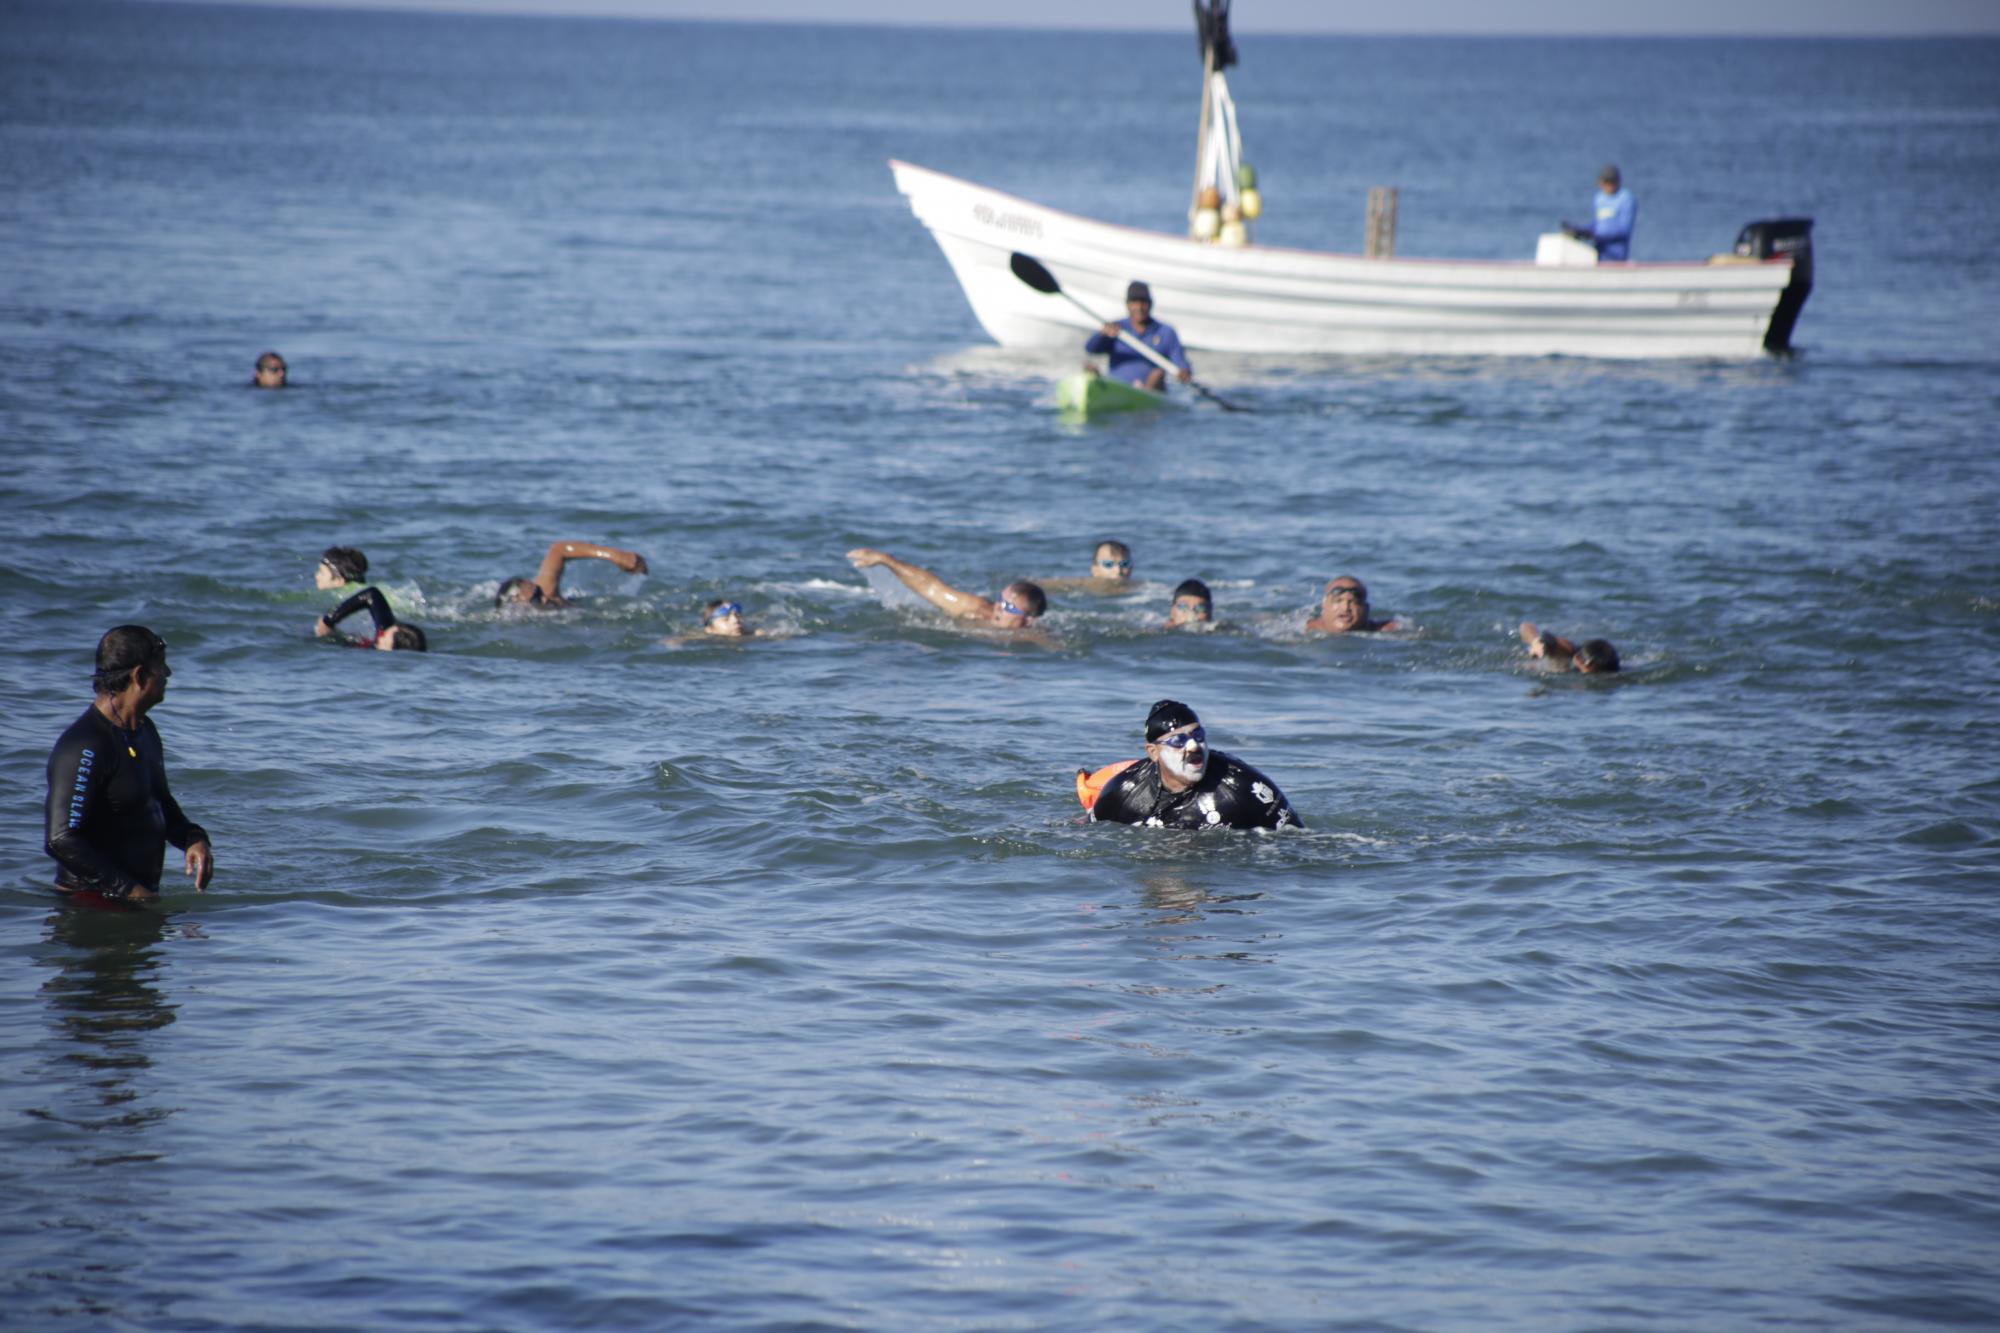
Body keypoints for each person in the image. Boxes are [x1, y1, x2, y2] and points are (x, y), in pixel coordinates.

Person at [43, 626, 215, 901]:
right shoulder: (85, 745)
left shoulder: (144, 731)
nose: (168, 673)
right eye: (161, 665)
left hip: (137, 901)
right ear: (139, 675)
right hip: (90, 907)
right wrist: (129, 890)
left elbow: (159, 802)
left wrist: (193, 837)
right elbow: (61, 838)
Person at [1085, 699, 1302, 831]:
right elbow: (1086, 835)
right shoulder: (1124, 790)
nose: (1193, 746)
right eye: (1178, 741)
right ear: (1153, 752)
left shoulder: (1243, 786)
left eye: (1198, 735)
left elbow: (1298, 843)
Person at [847, 547, 1046, 630]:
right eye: (1000, 601)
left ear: (1029, 619)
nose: (998, 608)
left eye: (1009, 608)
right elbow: (931, 587)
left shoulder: (1031, 638)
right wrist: (886, 560)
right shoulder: (976, 609)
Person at [1084, 281, 1193, 391]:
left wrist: (1183, 372)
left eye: (1143, 302)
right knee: (1089, 368)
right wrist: (1102, 334)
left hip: (1149, 391)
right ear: (1127, 304)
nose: (1139, 307)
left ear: (1151, 304)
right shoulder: (1116, 328)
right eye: (1134, 302)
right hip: (1116, 388)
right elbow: (1090, 349)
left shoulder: (1166, 332)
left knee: (1157, 374)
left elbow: (1181, 364)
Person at [496, 540, 649, 608]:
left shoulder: (547, 591)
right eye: (535, 600)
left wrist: (615, 555)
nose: (543, 599)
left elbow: (558, 549)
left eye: (539, 592)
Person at [317, 586, 427, 651]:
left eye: (383, 637)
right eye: (383, 633)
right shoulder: (386, 629)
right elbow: (372, 594)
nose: (381, 634)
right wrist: (329, 620)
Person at [1563, 164, 1635, 262]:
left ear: (1617, 182)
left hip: (1617, 256)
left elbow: (1624, 231)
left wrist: (1595, 235)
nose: (1607, 186)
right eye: (1605, 182)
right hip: (1599, 254)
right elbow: (1597, 224)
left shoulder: (1626, 199)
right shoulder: (1599, 198)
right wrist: (1581, 231)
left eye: (1610, 182)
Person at [1305, 576, 1399, 634]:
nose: (1345, 608)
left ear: (1366, 609)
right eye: (1338, 601)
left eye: (1353, 602)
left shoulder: (1388, 630)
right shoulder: (1304, 629)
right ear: (1324, 606)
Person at [1520, 621, 1619, 674]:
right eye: (1593, 672)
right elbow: (1526, 626)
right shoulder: (1568, 650)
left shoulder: (1611, 667)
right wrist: (1536, 641)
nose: (1595, 676)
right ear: (1578, 660)